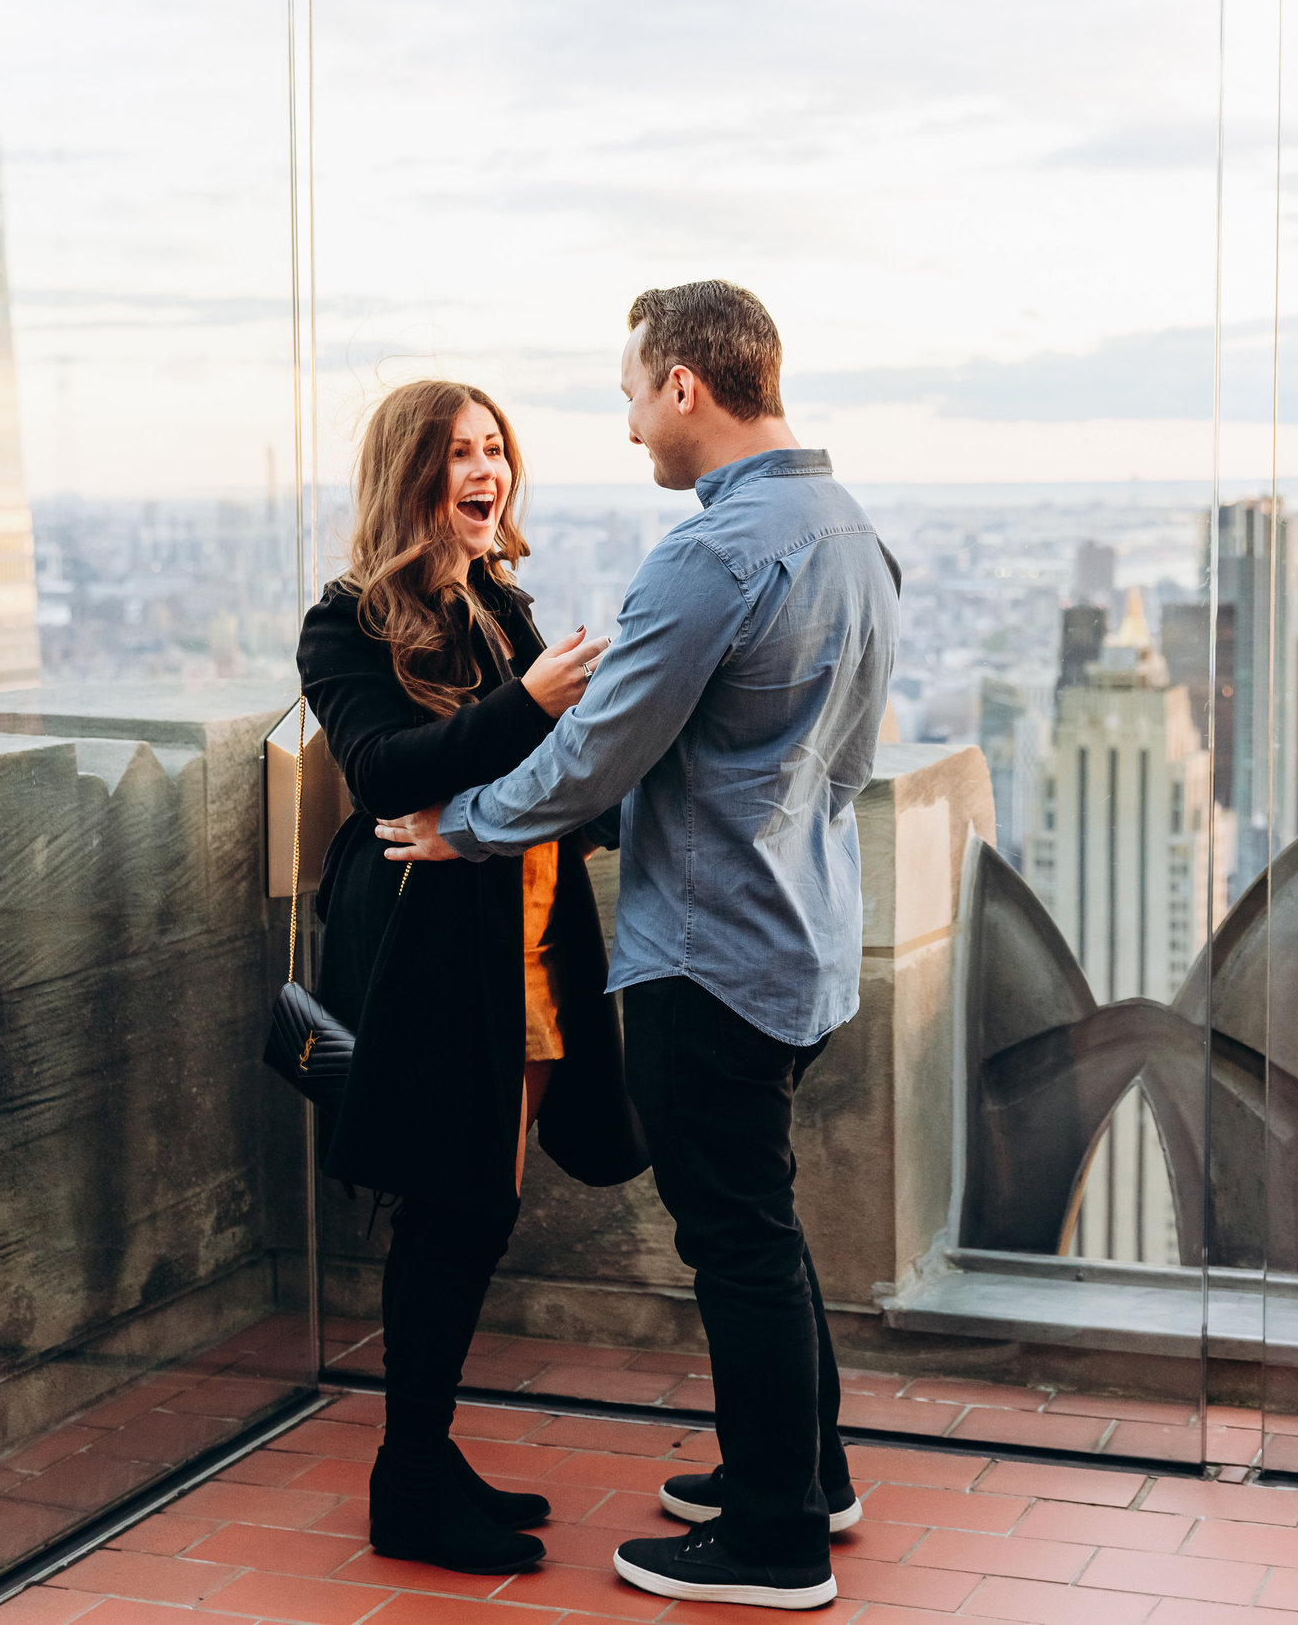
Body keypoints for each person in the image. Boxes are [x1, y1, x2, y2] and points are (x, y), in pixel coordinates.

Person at [376, 280, 899, 1609]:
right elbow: (804, 760)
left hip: (712, 948)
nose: (625, 430)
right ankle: (805, 1473)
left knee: (735, 1240)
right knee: (763, 1226)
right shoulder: (852, 534)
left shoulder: (710, 557)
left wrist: (473, 826)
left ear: (684, 387)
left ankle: (775, 1538)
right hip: (809, 931)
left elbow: (604, 747)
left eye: (628, 394)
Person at [297, 378, 647, 1576]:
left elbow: (552, 764)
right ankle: (406, 1479)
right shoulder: (343, 623)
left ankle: (425, 1449)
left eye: (495, 447)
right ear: (413, 477)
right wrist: (531, 701)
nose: (485, 468)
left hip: (530, 939)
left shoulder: (501, 601)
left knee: (475, 1207)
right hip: (432, 959)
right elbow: (388, 769)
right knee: (456, 1206)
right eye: (458, 452)